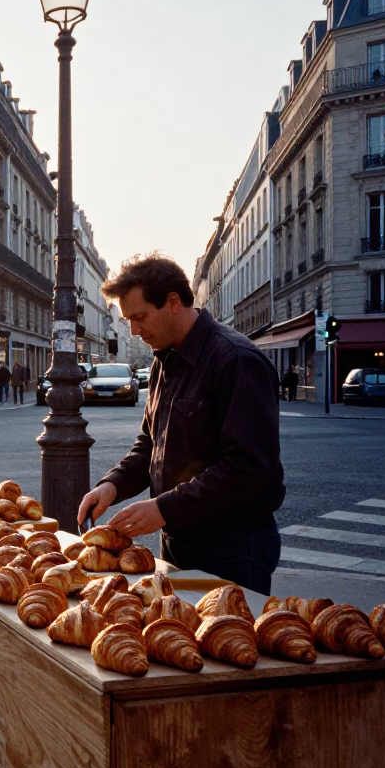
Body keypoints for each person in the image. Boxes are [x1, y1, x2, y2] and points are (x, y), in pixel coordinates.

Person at [76, 254, 284, 595]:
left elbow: (248, 469)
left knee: (227, 643)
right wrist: (112, 486)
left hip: (232, 547)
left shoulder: (236, 360)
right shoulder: (164, 360)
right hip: (178, 539)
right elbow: (150, 444)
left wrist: (163, 508)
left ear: (173, 302)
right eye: (129, 320)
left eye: (140, 317)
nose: (134, 331)